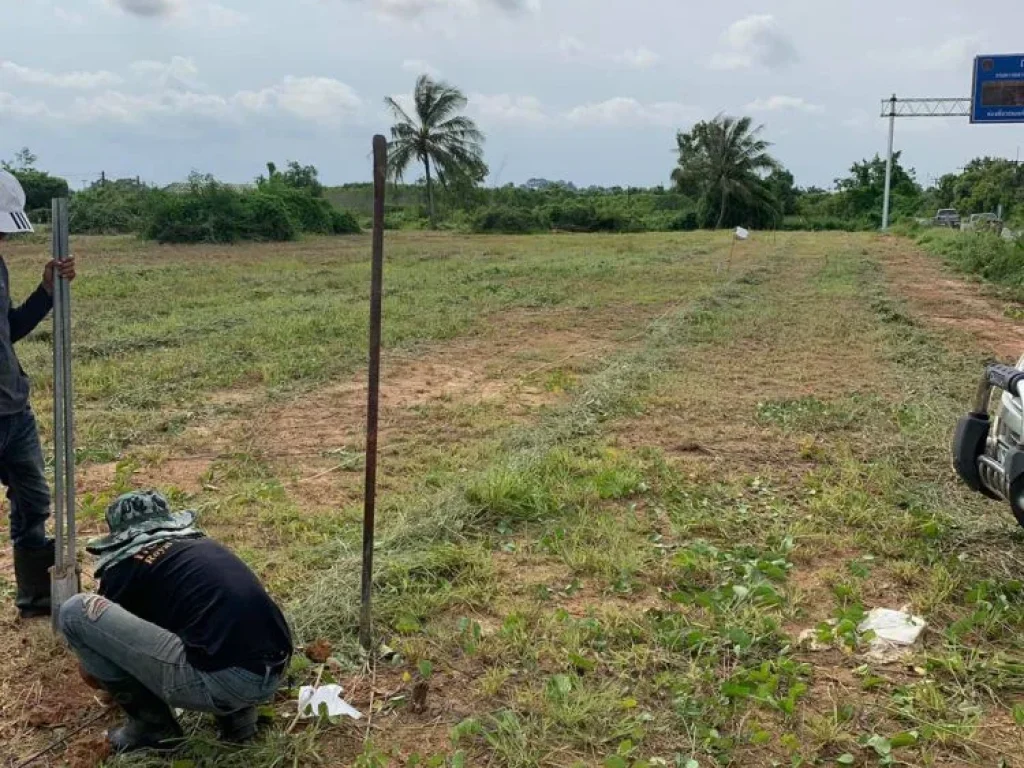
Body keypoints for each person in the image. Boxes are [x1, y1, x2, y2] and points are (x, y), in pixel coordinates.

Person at [59, 491, 293, 753]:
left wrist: (98, 674)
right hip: (274, 666)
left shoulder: (124, 569)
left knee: (75, 612)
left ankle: (153, 730)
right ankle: (238, 715)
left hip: (226, 680)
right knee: (208, 622)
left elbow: (111, 648)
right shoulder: (199, 548)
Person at [0, 169, 77, 618]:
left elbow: (7, 332)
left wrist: (47, 293)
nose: (2, 243)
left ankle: (37, 599)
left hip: (13, 411)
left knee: (33, 505)